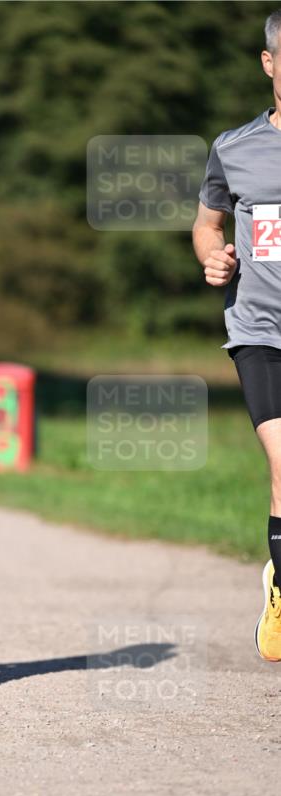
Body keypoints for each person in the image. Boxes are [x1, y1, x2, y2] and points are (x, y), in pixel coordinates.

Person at [193, 10, 281, 661]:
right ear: (269, 63)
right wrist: (212, 257)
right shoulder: (235, 147)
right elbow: (208, 223)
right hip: (261, 330)